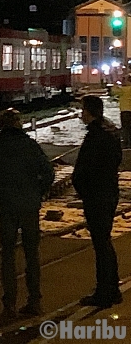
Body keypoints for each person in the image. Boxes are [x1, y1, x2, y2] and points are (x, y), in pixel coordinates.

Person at [0, 108, 54, 320]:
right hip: (30, 205)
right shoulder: (30, 145)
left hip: (7, 206)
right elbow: (48, 172)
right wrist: (38, 192)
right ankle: (34, 301)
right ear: (19, 124)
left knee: (8, 255)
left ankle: (9, 304)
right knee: (32, 254)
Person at [73, 95, 123, 308]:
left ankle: (104, 292)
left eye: (83, 109)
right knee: (105, 243)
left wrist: (83, 188)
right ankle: (112, 288)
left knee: (101, 244)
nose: (80, 113)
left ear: (89, 111)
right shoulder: (110, 132)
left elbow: (88, 167)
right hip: (108, 192)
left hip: (97, 195)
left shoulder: (96, 136)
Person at [114, 74, 131, 149]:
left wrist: (115, 83)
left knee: (125, 128)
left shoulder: (123, 90)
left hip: (125, 111)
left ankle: (126, 144)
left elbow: (113, 92)